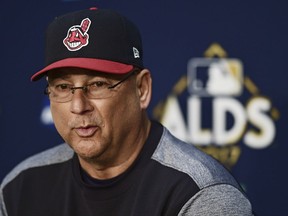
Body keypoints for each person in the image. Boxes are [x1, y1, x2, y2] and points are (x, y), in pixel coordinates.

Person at [0, 7, 254, 216]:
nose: (78, 106)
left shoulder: (200, 193)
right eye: (63, 87)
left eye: (98, 84)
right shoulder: (20, 187)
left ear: (142, 89)